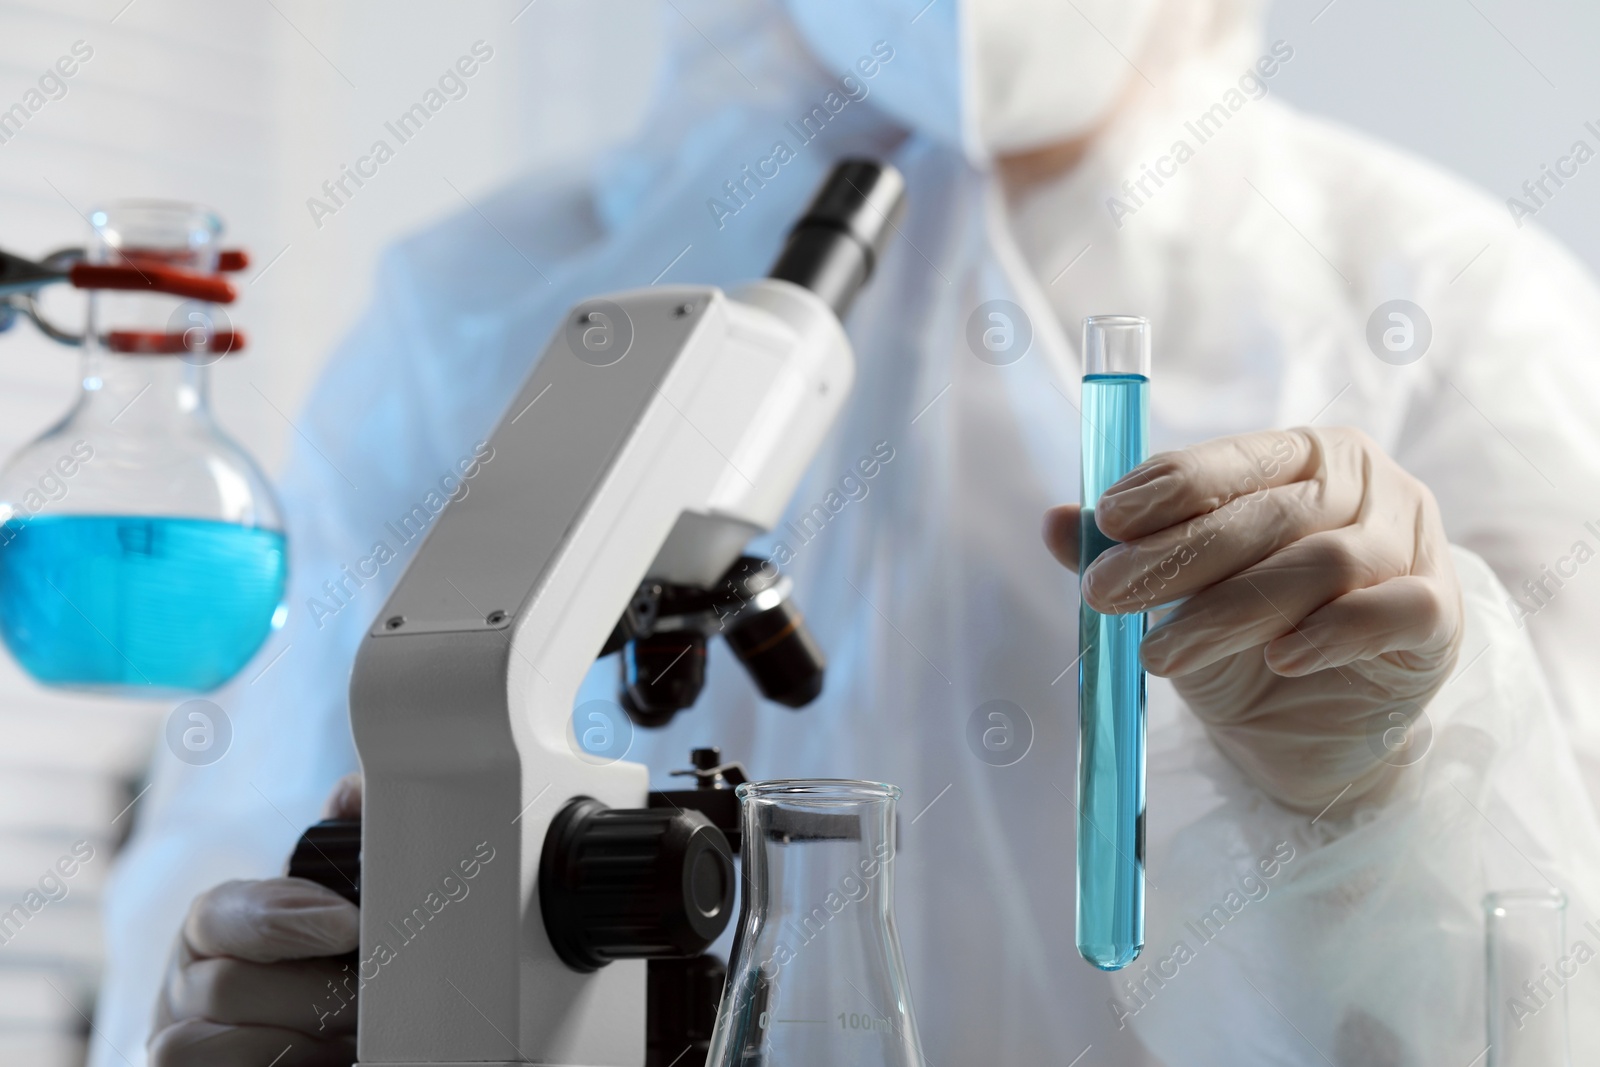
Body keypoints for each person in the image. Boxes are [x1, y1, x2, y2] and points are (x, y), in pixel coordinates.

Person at [98, 0, 1600, 1064]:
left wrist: (1381, 793)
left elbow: (1547, 991)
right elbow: (264, 876)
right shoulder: (469, 313)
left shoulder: (1469, 316)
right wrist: (274, 1005)